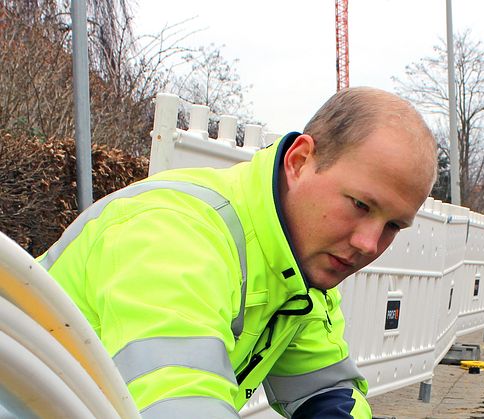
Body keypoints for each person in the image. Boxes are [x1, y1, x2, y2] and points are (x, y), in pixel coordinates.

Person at [37, 87, 438, 419]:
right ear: (299, 161)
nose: (368, 244)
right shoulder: (175, 234)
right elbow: (180, 402)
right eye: (360, 205)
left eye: (393, 226)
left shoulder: (301, 270)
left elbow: (326, 392)